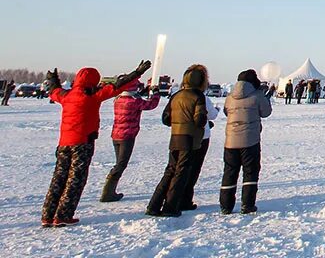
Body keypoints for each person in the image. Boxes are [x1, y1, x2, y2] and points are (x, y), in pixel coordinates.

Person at [41, 61, 150, 226]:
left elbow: (53, 91)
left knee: (58, 178)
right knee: (75, 179)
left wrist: (53, 80)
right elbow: (118, 87)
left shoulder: (67, 95)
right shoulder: (92, 96)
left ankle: (48, 215)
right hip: (82, 143)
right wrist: (136, 73)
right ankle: (63, 215)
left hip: (64, 144)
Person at [147, 64, 209, 218]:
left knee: (170, 171)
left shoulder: (176, 95)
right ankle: (171, 206)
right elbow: (199, 120)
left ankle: (154, 205)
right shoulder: (198, 96)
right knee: (181, 173)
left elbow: (166, 118)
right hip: (190, 139)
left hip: (175, 136)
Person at [220, 69, 273, 214]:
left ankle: (226, 205)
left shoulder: (230, 97)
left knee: (229, 172)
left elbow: (226, 112)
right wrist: (265, 97)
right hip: (250, 140)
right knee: (250, 172)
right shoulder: (257, 95)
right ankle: (247, 204)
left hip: (230, 140)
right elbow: (266, 112)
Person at [100, 80, 161, 202]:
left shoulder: (118, 99)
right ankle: (108, 192)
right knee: (121, 164)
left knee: (119, 163)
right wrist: (156, 93)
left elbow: (137, 97)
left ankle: (110, 190)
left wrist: (145, 91)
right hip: (127, 136)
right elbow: (150, 105)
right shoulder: (133, 101)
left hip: (116, 135)